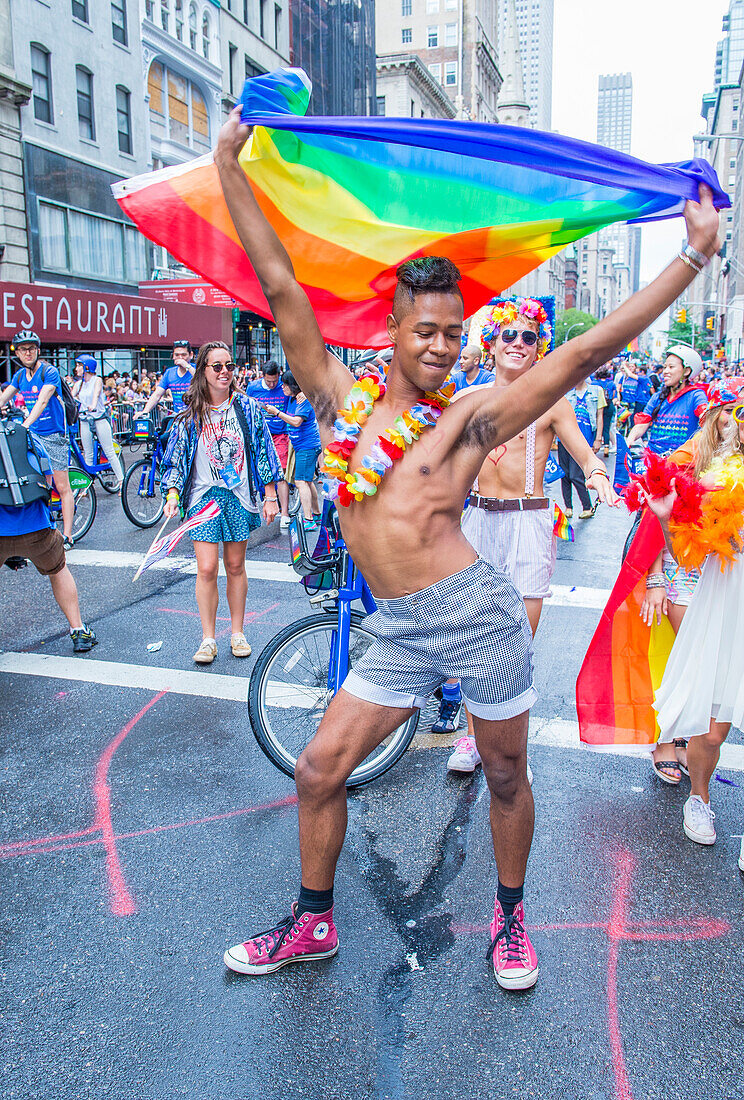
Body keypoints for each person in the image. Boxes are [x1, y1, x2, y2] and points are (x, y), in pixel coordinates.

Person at [214, 105, 719, 990]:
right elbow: (281, 285)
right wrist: (229, 165)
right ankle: (313, 922)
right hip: (400, 629)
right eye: (428, 331)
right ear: (393, 326)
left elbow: (586, 354)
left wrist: (691, 257)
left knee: (506, 772)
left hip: (478, 620)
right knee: (321, 767)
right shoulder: (339, 399)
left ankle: (512, 918)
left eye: (457, 331)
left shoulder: (468, 421)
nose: (445, 347)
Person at [431, 296, 617, 752]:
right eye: (508, 335)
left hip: (528, 523)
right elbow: (433, 460)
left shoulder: (551, 402)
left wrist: (596, 474)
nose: (517, 343)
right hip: (474, 520)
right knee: (472, 640)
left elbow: (583, 450)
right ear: (491, 344)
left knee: (516, 648)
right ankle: (474, 741)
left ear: (539, 348)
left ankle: (513, 751)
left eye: (528, 337)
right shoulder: (466, 399)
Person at [643, 402, 744, 849]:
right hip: (726, 596)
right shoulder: (720, 478)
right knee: (713, 725)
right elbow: (690, 554)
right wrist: (667, 522)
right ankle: (699, 798)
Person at [161, 341, 281, 664]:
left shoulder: (247, 408)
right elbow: (175, 461)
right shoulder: (189, 416)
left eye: (229, 365)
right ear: (203, 371)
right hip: (203, 497)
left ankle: (237, 632)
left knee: (236, 566)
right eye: (218, 366)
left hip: (238, 495)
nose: (225, 371)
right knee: (207, 567)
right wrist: (172, 494)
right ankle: (208, 638)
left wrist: (270, 495)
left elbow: (263, 454)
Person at [0, 418, 96, 652]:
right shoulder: (28, 437)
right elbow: (48, 482)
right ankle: (78, 631)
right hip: (37, 528)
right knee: (58, 570)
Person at [0, 331, 74, 549]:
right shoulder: (20, 376)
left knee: (62, 487)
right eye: (23, 349)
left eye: (31, 348)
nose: (28, 352)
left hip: (54, 436)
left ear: (38, 350)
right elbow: (4, 398)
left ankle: (68, 536)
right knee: (38, 484)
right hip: (34, 436)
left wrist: (24, 425)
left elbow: (42, 401)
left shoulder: (48, 372)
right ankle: (43, 530)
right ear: (17, 353)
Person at [626, 344, 707, 455]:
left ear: (687, 371)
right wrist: (629, 440)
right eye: (665, 367)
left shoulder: (696, 395)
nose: (665, 371)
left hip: (682, 463)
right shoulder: (657, 397)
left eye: (671, 367)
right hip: (652, 461)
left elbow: (707, 418)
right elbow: (642, 424)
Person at [265, 372, 322, 529]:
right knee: (308, 481)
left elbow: (297, 422)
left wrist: (277, 413)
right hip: (301, 446)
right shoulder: (293, 398)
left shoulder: (304, 401)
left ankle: (308, 520)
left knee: (300, 481)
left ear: (294, 386)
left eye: (285, 384)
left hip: (307, 446)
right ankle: (316, 515)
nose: (282, 387)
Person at [246, 360, 293, 529]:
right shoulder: (253, 388)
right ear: (262, 376)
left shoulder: (284, 387)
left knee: (280, 473)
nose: (273, 384)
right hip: (260, 436)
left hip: (280, 435)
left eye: (275, 381)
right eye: (269, 381)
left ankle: (285, 513)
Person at [556, 375, 606, 519]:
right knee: (564, 474)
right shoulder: (565, 392)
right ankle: (568, 507)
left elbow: (599, 416)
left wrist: (598, 438)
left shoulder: (596, 391)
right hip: (563, 438)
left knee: (576, 474)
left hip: (583, 439)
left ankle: (587, 506)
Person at [71, 355, 124, 489]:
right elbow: (71, 398)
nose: (76, 368)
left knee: (109, 451)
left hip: (98, 418)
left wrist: (93, 405)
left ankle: (122, 481)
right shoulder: (78, 384)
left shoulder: (97, 380)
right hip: (84, 420)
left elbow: (96, 394)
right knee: (87, 454)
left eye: (79, 366)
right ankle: (87, 487)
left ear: (87, 367)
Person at [143, 340, 195, 416]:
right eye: (177, 355)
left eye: (184, 355)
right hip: (179, 417)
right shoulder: (169, 373)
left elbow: (203, 381)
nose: (180, 358)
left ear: (191, 355)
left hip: (197, 417)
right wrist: (145, 412)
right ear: (173, 356)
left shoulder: (197, 369)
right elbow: (157, 394)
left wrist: (187, 366)